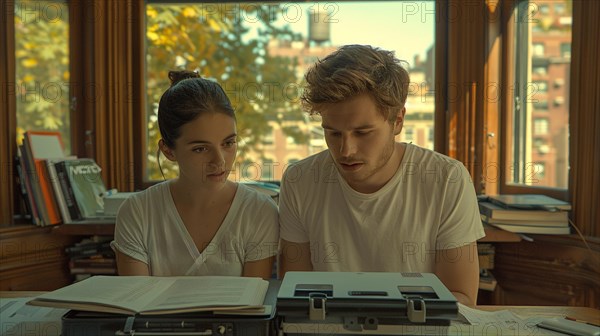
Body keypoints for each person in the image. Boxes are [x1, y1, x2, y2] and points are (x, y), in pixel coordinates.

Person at [278, 45, 485, 305]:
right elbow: (296, 295)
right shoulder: (300, 180)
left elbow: (462, 298)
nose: (346, 150)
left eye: (363, 133)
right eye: (332, 133)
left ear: (397, 121)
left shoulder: (446, 179)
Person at [111, 70, 278, 279]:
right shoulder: (138, 213)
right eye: (200, 148)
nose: (220, 161)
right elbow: (136, 302)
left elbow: (252, 304)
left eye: (228, 143)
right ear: (168, 151)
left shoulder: (259, 212)